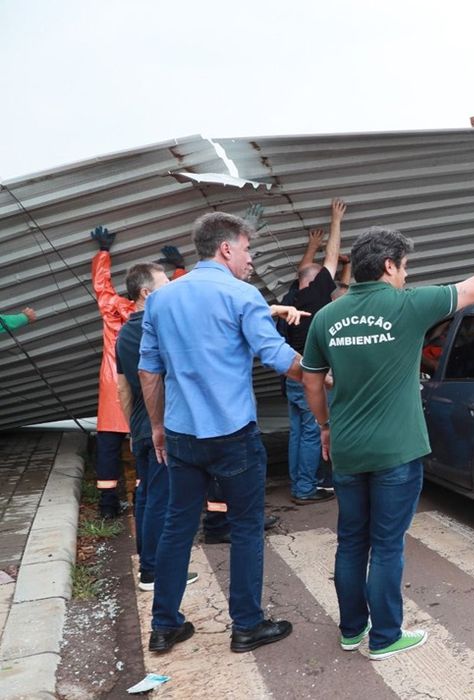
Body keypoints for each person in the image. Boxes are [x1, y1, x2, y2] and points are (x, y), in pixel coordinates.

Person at [300, 226, 474, 660]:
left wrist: (325, 426)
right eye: (404, 268)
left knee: (351, 540)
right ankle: (385, 636)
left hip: (347, 449)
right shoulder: (408, 306)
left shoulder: (327, 317)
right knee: (386, 543)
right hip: (396, 450)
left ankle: (351, 631)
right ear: (388, 266)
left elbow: (311, 381)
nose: (406, 276)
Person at [139, 212, 304, 654]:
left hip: (182, 434)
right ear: (226, 248)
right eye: (248, 249)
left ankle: (165, 624)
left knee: (177, 525)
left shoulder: (161, 300)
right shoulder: (241, 295)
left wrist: (157, 427)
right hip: (233, 435)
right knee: (247, 526)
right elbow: (280, 359)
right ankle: (247, 626)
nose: (251, 260)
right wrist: (327, 376)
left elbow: (149, 371)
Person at [113, 263, 199, 592]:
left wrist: (134, 431)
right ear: (146, 293)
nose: (170, 289)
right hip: (162, 424)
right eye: (165, 284)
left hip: (140, 425)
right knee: (162, 499)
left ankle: (146, 561)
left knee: (147, 495)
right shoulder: (159, 328)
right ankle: (154, 571)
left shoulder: (123, 335)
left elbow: (123, 389)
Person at [91, 228, 186, 519]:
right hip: (142, 386)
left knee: (108, 444)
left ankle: (108, 505)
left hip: (114, 382)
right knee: (150, 449)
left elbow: (101, 287)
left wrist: (103, 252)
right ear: (146, 292)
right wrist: (180, 268)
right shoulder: (158, 317)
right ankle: (143, 495)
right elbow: (181, 298)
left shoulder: (113, 310)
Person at [283, 198, 347, 505]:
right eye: (323, 275)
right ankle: (305, 489)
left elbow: (303, 269)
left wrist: (312, 246)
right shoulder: (319, 290)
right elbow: (331, 259)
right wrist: (336, 222)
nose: (329, 279)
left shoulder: (294, 295)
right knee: (312, 432)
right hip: (312, 374)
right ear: (316, 280)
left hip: (291, 372)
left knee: (298, 431)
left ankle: (299, 482)